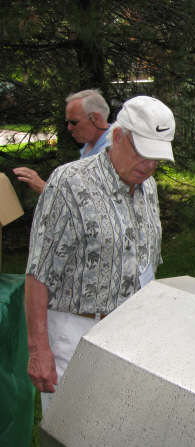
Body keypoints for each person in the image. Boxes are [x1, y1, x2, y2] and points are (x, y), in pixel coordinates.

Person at [24, 95, 175, 411]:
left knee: (122, 425)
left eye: (156, 158)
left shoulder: (148, 187)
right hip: (75, 332)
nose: (149, 166)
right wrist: (38, 349)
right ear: (118, 136)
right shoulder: (69, 183)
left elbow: (144, 261)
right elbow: (38, 272)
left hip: (130, 330)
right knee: (73, 429)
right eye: (143, 154)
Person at [13, 89, 111, 193]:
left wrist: (43, 188)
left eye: (74, 122)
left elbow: (94, 201)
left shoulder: (111, 151)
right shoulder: (91, 144)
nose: (69, 128)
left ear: (95, 118)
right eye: (67, 123)